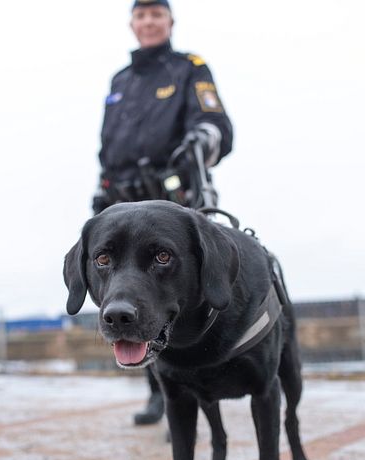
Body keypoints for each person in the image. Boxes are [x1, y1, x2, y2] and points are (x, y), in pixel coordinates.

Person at [93, 0, 233, 425]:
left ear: (170, 22)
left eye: (156, 14)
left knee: (176, 301)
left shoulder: (189, 67)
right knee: (131, 298)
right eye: (141, 15)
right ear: (132, 24)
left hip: (175, 202)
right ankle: (161, 392)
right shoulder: (120, 80)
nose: (148, 22)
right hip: (121, 201)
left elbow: (216, 125)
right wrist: (101, 195)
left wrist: (204, 137)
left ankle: (193, 392)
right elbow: (108, 147)